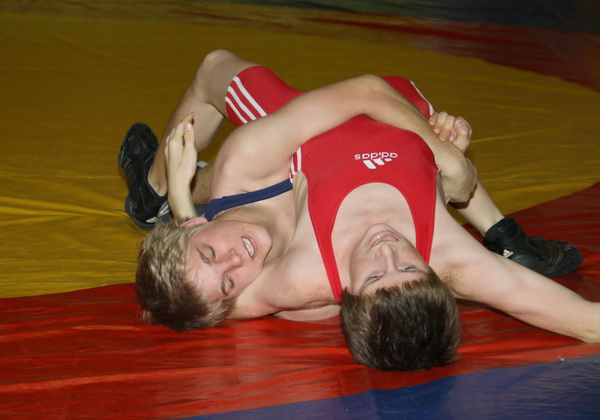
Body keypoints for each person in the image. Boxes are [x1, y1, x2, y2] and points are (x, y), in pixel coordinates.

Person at [121, 50, 594, 370]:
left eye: (374, 275)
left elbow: (218, 301)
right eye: (409, 265)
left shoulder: (303, 278)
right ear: (436, 275)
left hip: (312, 128)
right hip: (397, 108)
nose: (387, 249)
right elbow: (586, 322)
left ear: (345, 293)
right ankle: (503, 234)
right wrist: (450, 161)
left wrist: (181, 204)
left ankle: (155, 190)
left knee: (225, 108)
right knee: (449, 166)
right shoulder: (455, 262)